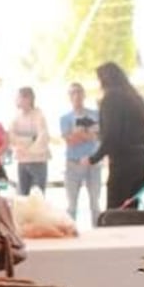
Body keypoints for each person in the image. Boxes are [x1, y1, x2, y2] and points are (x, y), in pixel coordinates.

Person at [84, 62, 144, 209]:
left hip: (122, 162)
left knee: (116, 211)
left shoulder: (110, 99)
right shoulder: (136, 98)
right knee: (132, 209)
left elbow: (112, 135)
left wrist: (94, 158)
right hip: (141, 159)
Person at [59, 82, 101, 225]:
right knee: (72, 205)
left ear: (84, 94)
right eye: (73, 93)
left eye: (79, 92)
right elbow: (70, 140)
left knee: (95, 203)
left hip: (93, 162)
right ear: (69, 96)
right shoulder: (65, 118)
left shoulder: (95, 114)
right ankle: (70, 229)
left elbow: (97, 136)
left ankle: (98, 230)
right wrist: (87, 133)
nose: (76, 95)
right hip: (73, 163)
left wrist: (79, 133)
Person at [9, 86, 50, 195]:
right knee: (22, 196)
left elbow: (43, 137)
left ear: (29, 99)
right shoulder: (16, 117)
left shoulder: (39, 115)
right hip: (22, 161)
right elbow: (11, 137)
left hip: (38, 161)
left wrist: (27, 149)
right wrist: (29, 140)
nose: (17, 100)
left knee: (38, 196)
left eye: (19, 97)